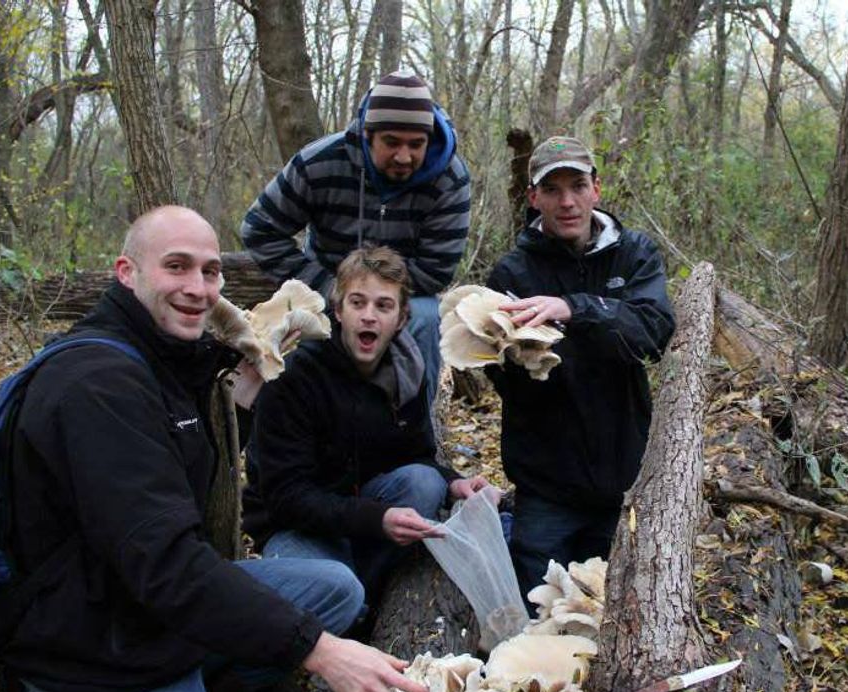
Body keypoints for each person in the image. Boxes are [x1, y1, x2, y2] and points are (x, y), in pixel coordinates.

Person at [0, 206, 427, 692]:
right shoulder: (96, 384)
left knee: (336, 590)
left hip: (153, 614)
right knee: (305, 629)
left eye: (210, 271)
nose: (198, 288)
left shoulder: (166, 358)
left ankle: (213, 680)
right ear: (126, 272)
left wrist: (240, 401)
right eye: (176, 267)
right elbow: (166, 559)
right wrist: (320, 650)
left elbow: (190, 485)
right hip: (90, 651)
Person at [485, 136, 676, 605]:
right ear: (533, 198)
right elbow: (499, 373)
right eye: (552, 190)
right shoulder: (513, 273)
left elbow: (652, 331)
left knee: (615, 611)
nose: (566, 201)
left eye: (577, 185)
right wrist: (519, 357)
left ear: (597, 188)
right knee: (538, 611)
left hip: (623, 478)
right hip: (546, 484)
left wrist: (575, 308)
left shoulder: (633, 255)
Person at [244, 245, 487, 607]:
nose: (369, 316)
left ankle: (370, 595)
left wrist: (455, 482)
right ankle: (355, 601)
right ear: (338, 310)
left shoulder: (407, 372)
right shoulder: (296, 373)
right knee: (338, 587)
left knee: (424, 482)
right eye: (357, 303)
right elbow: (285, 497)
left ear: (402, 318)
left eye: (383, 306)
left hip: (363, 515)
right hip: (297, 527)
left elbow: (416, 456)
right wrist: (377, 519)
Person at [240, 70, 471, 405]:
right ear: (368, 134)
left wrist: (378, 300)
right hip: (325, 286)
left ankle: (414, 425)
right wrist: (329, 289)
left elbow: (437, 269)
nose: (404, 156)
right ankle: (305, 424)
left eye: (416, 144)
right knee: (300, 323)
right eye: (391, 142)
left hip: (405, 294)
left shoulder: (450, 178)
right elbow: (260, 228)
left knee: (425, 318)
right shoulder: (320, 162)